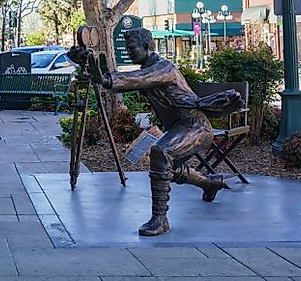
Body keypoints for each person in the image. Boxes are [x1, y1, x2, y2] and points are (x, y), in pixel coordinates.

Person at [88, 27, 243, 236]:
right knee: (169, 167)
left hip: (195, 126)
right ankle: (210, 183)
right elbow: (129, 83)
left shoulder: (163, 68)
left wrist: (108, 79)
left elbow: (138, 79)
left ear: (146, 46)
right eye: (127, 48)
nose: (128, 51)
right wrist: (104, 75)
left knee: (161, 153)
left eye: (132, 47)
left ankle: (160, 219)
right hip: (181, 127)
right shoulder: (148, 68)